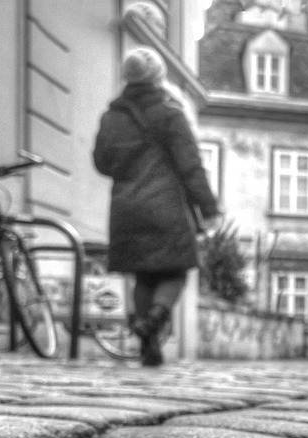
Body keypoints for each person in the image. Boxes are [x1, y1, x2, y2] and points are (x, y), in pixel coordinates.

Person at [93, 47, 220, 367]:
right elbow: (190, 164)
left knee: (144, 277)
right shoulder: (169, 113)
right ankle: (155, 318)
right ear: (158, 76)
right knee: (176, 271)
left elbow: (102, 163)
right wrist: (209, 207)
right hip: (165, 206)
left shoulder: (111, 117)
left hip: (126, 207)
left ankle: (147, 341)